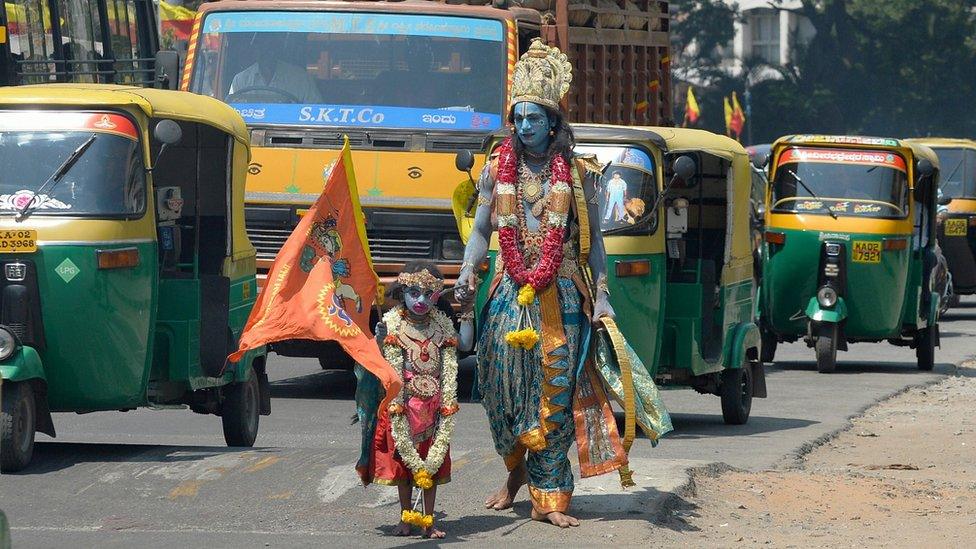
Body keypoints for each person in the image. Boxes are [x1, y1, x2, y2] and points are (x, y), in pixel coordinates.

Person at [454, 39, 671, 528]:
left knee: (554, 388)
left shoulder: (578, 174)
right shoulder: (494, 171)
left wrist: (603, 297)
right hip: (509, 291)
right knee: (502, 386)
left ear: (553, 122)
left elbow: (594, 243)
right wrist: (469, 270)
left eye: (534, 118)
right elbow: (482, 231)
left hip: (564, 292)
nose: (525, 127)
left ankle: (549, 494)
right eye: (518, 118)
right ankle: (515, 474)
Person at [356, 261, 459, 539]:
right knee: (403, 466)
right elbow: (375, 363)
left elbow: (459, 347)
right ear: (402, 293)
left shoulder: (443, 326)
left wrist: (470, 315)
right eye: (414, 293)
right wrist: (378, 341)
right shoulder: (391, 323)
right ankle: (405, 517)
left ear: (437, 295)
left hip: (436, 407)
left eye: (428, 294)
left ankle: (428, 521)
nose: (421, 300)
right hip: (402, 407)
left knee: (432, 465)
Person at [228, 34, 321, 103]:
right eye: (261, 45)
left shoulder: (301, 79)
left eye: (270, 46)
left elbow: (317, 112)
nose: (266, 51)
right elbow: (232, 112)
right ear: (254, 49)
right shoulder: (240, 80)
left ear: (278, 48)